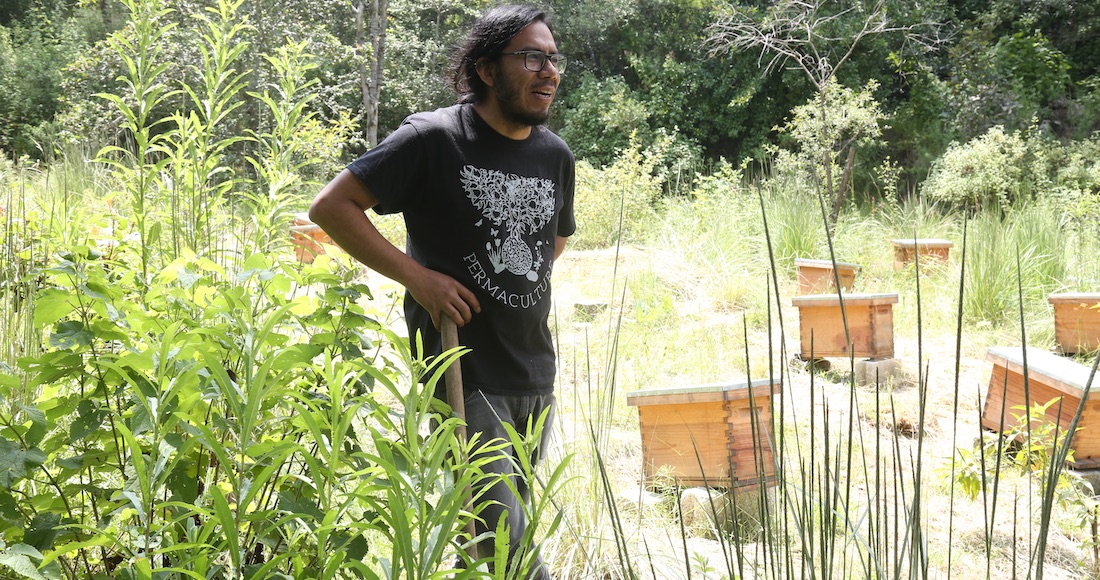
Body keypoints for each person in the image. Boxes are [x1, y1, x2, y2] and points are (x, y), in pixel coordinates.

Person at [308, 4, 574, 578]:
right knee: (509, 550)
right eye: (531, 57)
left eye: (554, 59)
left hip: (534, 370)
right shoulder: (433, 139)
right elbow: (332, 207)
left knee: (484, 541)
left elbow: (553, 242)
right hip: (462, 367)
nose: (548, 71)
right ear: (487, 69)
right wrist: (420, 278)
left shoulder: (554, 155)